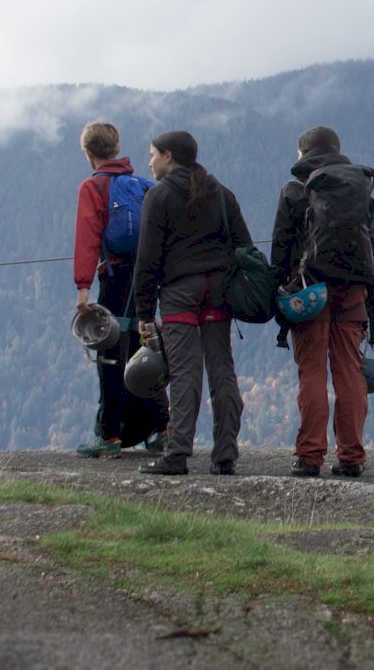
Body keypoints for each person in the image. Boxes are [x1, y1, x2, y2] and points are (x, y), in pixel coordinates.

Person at [130, 131, 250, 476]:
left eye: (152, 155)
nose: (149, 161)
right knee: (221, 368)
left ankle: (178, 453)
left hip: (180, 291)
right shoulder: (221, 194)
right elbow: (242, 243)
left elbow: (147, 259)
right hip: (219, 290)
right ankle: (225, 454)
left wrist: (143, 312)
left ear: (169, 156)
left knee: (184, 372)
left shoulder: (160, 196)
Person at [271, 126, 374, 478]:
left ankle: (309, 456)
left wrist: (279, 289)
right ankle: (351, 457)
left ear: (302, 153)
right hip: (352, 290)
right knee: (349, 370)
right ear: (337, 149)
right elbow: (372, 242)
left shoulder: (294, 190)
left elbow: (280, 249)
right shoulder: (359, 187)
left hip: (308, 291)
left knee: (313, 370)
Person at [70, 121, 169, 458]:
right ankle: (162, 428)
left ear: (88, 153)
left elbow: (86, 239)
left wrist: (83, 288)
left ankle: (109, 435)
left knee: (111, 354)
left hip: (114, 277)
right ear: (116, 147)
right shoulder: (141, 185)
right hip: (146, 279)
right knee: (144, 348)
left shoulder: (93, 187)